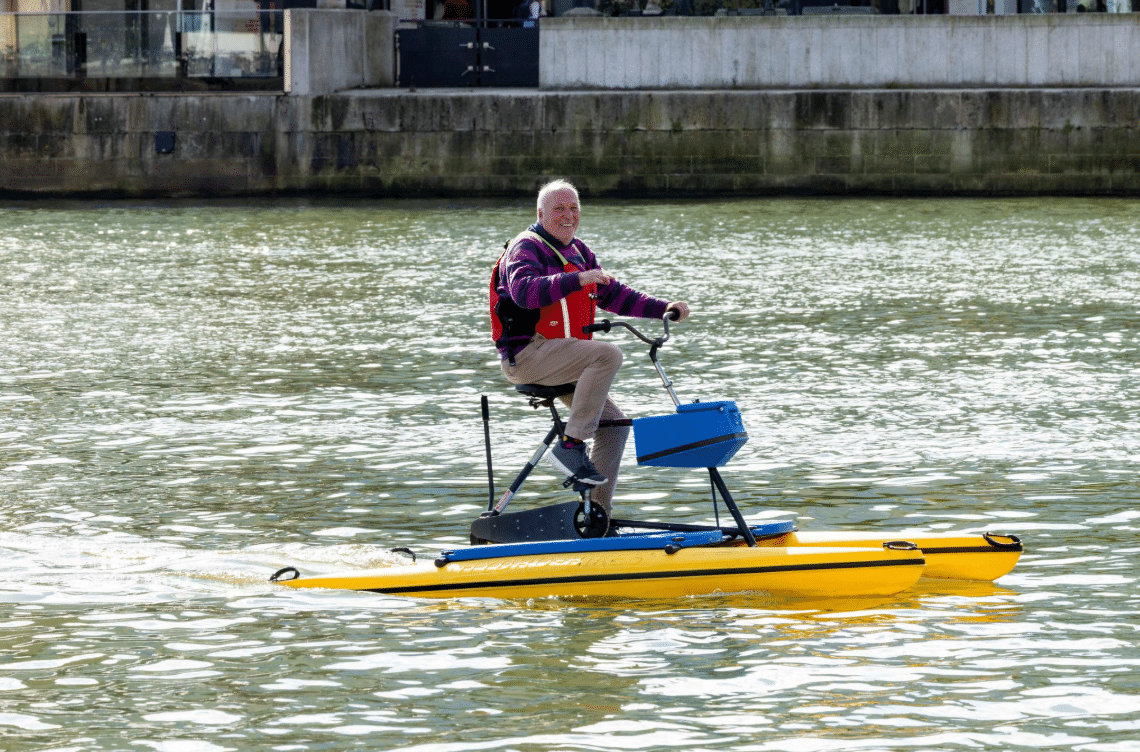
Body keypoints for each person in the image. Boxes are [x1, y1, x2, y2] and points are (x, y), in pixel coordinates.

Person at [489, 180, 690, 513]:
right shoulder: (526, 247)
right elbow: (524, 292)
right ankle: (571, 445)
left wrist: (664, 307)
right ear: (541, 213)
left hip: (564, 360)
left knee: (615, 427)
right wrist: (577, 279)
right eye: (559, 209)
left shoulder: (579, 252)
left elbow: (616, 295)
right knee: (608, 353)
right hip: (527, 355)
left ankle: (597, 517)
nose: (568, 216)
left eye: (574, 208)